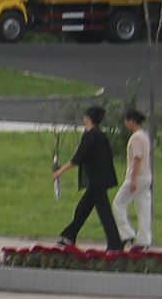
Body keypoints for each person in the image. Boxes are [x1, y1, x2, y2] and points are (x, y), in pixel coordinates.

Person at [53, 104, 123, 249]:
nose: (84, 119)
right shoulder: (101, 136)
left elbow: (78, 158)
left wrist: (60, 172)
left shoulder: (90, 136)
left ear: (89, 119)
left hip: (96, 181)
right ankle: (69, 237)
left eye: (85, 117)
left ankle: (115, 244)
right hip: (101, 179)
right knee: (83, 209)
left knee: (104, 212)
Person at [113, 107, 153, 248]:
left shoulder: (135, 137)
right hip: (147, 176)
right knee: (143, 208)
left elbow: (137, 158)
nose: (125, 124)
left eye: (126, 121)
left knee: (119, 204)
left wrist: (133, 179)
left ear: (132, 121)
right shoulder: (144, 135)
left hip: (137, 176)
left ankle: (127, 233)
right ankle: (144, 240)